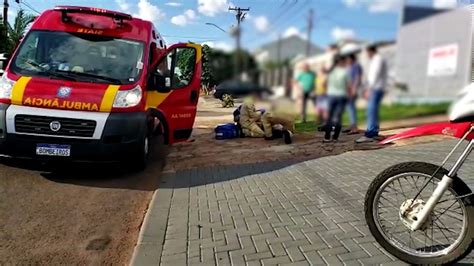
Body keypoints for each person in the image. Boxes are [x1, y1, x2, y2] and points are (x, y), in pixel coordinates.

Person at [356, 45, 388, 143]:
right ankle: (374, 133)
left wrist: (368, 89)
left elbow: (374, 75)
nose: (367, 55)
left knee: (370, 111)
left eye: (367, 52)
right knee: (374, 111)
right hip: (378, 88)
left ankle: (369, 135)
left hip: (375, 88)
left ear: (371, 51)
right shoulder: (378, 59)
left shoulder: (377, 59)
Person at [323, 55, 350, 143]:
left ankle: (327, 137)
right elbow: (348, 86)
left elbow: (324, 84)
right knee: (338, 118)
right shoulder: (345, 72)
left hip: (331, 96)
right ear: (341, 62)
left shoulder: (330, 72)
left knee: (329, 118)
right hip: (342, 96)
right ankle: (335, 137)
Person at [345, 54, 363, 135]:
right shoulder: (349, 67)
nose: (347, 61)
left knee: (351, 108)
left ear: (352, 59)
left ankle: (354, 128)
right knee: (349, 108)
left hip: (352, 90)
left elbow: (357, 78)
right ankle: (351, 126)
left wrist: (354, 89)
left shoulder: (355, 66)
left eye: (348, 59)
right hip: (347, 90)